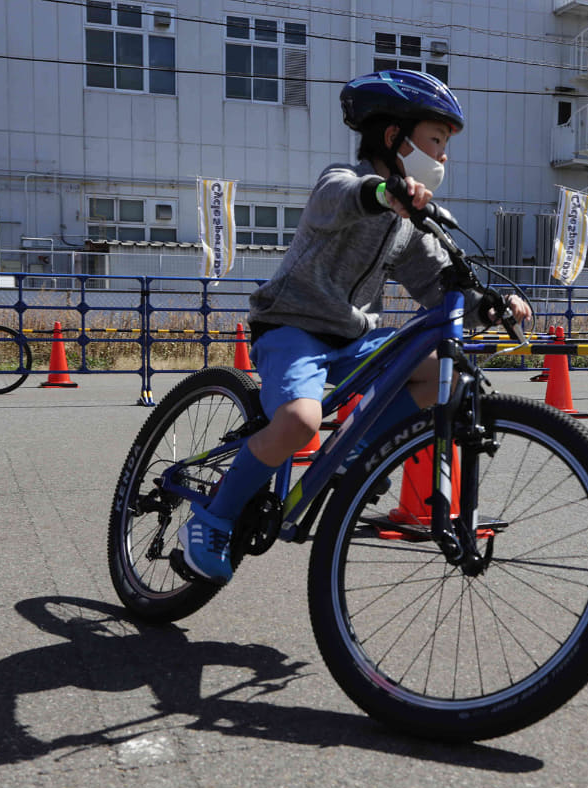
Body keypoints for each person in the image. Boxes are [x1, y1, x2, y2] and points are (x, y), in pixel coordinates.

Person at [177, 69, 532, 583]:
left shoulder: (409, 223)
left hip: (353, 338)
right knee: (299, 423)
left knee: (440, 369)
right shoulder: (342, 182)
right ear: (394, 137)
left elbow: (437, 283)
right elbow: (342, 196)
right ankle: (212, 519)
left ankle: (356, 460)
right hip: (291, 328)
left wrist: (492, 307)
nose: (444, 156)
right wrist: (383, 193)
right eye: (436, 140)